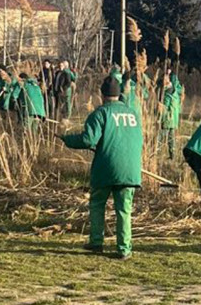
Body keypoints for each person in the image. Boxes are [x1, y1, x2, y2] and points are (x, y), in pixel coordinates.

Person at [60, 77, 143, 260]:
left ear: (102, 95)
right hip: (131, 169)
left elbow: (88, 140)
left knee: (97, 204)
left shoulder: (100, 114)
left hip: (106, 168)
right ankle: (124, 248)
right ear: (119, 94)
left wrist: (68, 139)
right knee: (124, 209)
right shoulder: (133, 114)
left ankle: (96, 241)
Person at [158, 70, 181, 160]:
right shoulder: (174, 91)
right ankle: (172, 156)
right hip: (173, 119)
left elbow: (165, 106)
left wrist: (160, 107)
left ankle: (154, 154)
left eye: (164, 79)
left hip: (167, 118)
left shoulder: (168, 92)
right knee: (171, 138)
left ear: (167, 80)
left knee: (160, 137)